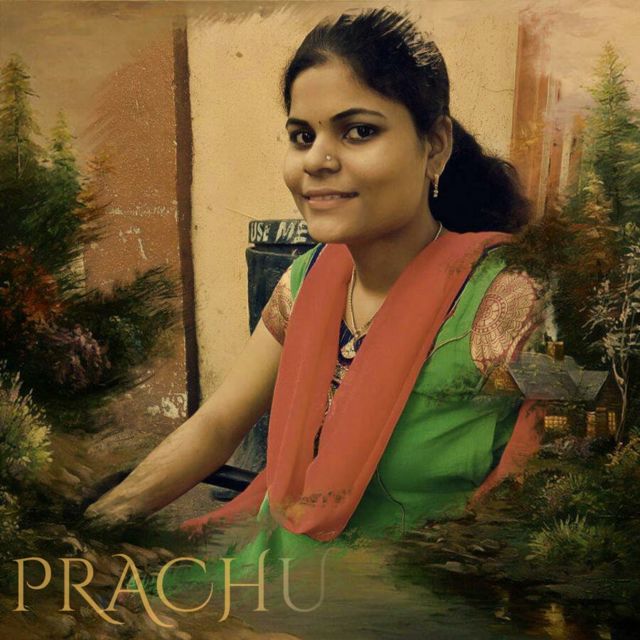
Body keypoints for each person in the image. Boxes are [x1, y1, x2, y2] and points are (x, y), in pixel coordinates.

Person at [86, 8, 545, 579]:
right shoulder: (307, 281)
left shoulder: (506, 302)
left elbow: (553, 503)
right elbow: (218, 424)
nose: (317, 161)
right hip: (276, 568)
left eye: (359, 132)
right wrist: (96, 524)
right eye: (303, 136)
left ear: (435, 146)